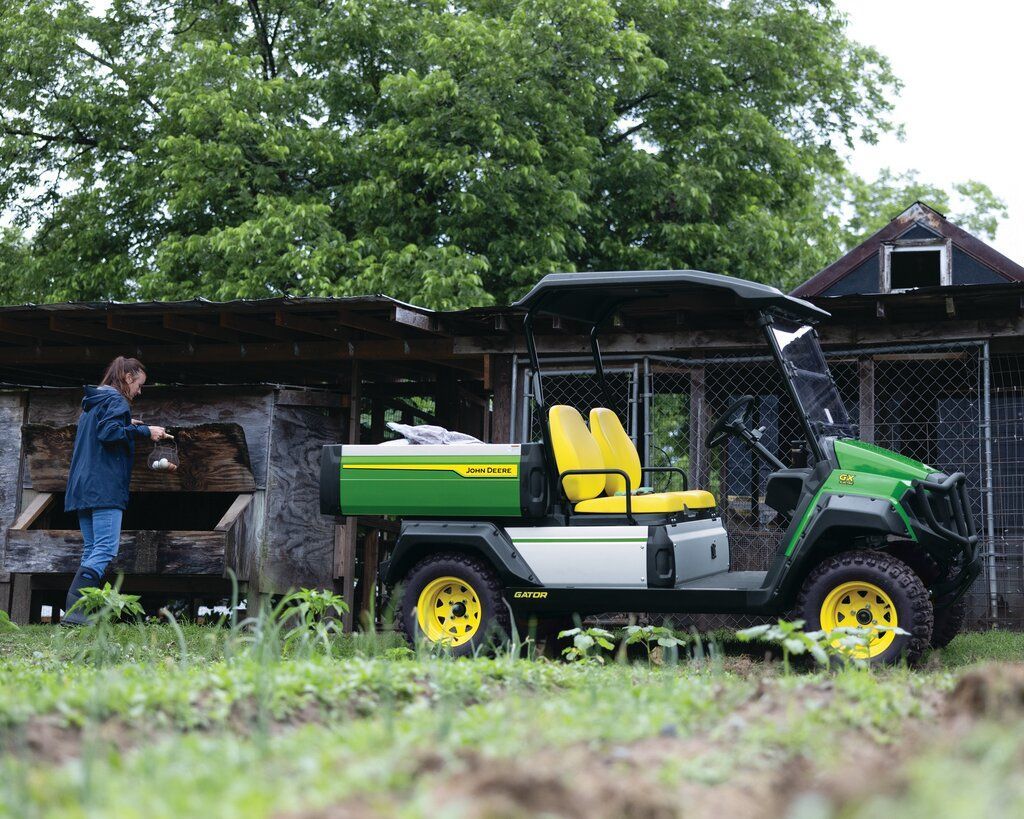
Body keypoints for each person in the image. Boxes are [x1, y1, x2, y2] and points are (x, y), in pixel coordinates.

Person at [62, 357, 167, 625]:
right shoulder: (117, 400)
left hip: (82, 487)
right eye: (139, 385)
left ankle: (81, 614)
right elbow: (109, 434)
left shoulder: (94, 403)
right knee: (106, 549)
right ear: (128, 378)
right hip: (104, 487)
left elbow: (103, 431)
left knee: (91, 549)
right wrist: (145, 431)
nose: (139, 391)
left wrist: (129, 425)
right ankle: (75, 610)